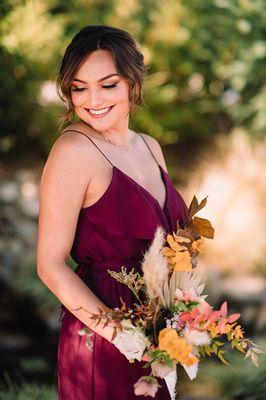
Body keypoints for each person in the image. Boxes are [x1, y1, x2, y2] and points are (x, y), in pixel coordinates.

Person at [37, 25, 189, 400]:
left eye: (108, 84)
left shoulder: (150, 147)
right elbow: (50, 265)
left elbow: (174, 247)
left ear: (133, 84)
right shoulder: (73, 152)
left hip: (159, 331)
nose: (92, 99)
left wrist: (182, 314)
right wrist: (125, 337)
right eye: (78, 87)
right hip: (102, 336)